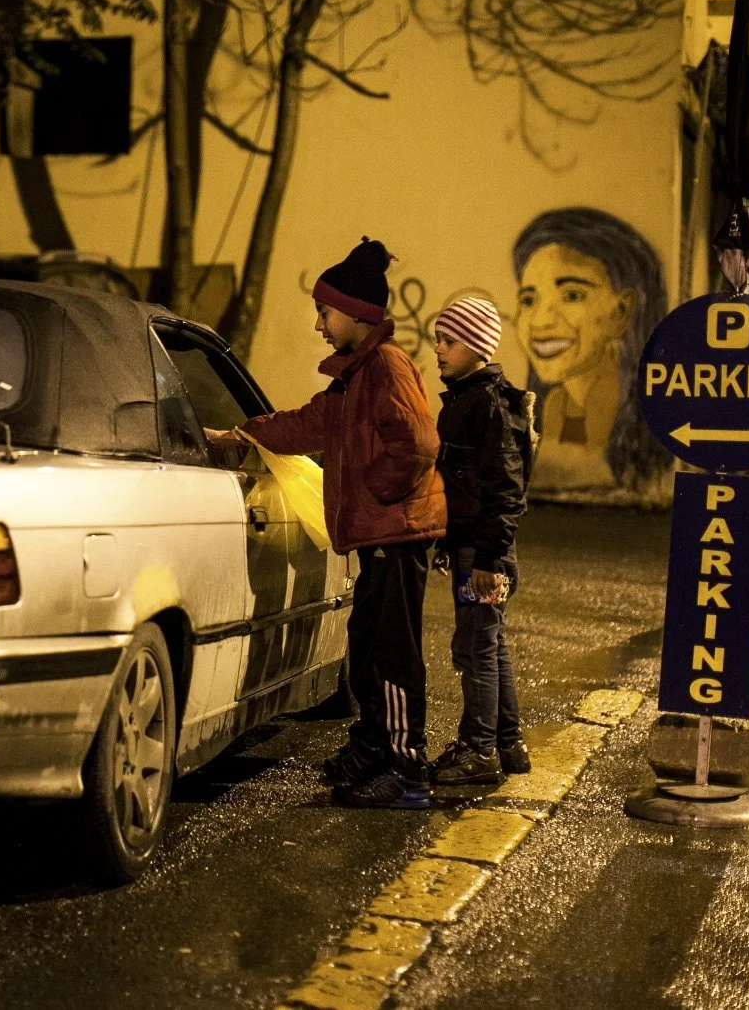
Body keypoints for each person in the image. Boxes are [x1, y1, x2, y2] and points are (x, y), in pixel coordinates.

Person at [210, 237, 446, 808]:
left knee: (391, 652)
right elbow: (310, 423)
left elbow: (417, 443)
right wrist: (244, 436)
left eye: (324, 311)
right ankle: (371, 747)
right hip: (381, 533)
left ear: (357, 313)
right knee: (366, 644)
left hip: (397, 532)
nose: (318, 323)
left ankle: (406, 769)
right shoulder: (356, 374)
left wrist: (376, 494)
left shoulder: (386, 366)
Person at [427, 295, 533, 785]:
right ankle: (508, 743)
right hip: (474, 547)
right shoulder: (472, 398)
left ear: (475, 346)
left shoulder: (485, 405)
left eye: (447, 341)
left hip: (484, 553)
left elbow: (505, 490)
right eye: (438, 341)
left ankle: (478, 749)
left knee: (476, 648)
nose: (439, 351)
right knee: (491, 644)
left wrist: (486, 557)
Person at [511, 207, 670, 494]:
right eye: (528, 299)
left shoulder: (612, 394)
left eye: (572, 295)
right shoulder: (559, 400)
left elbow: (587, 474)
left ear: (621, 312)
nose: (541, 320)